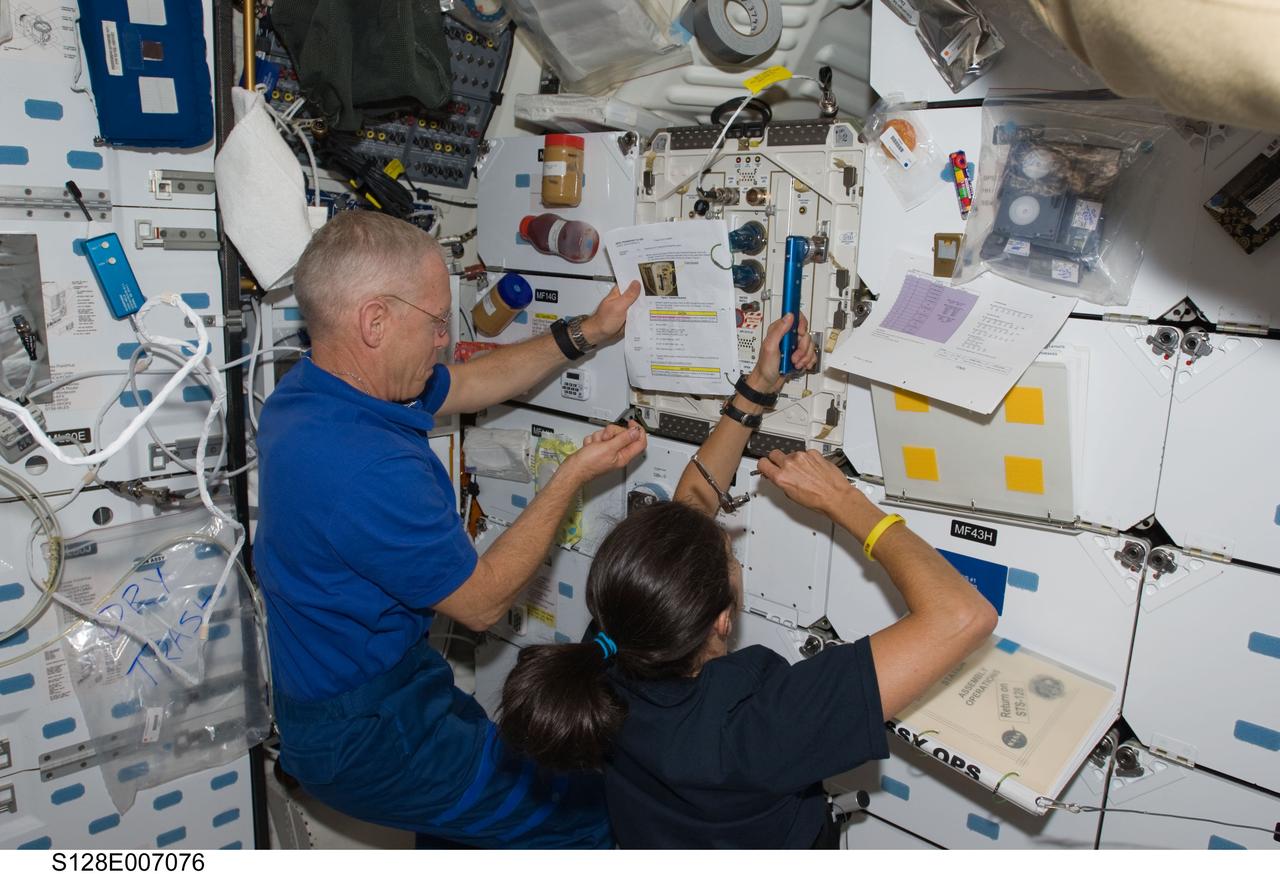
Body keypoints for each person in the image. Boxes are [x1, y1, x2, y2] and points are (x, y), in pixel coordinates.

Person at [498, 313, 999, 849]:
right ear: (722, 619)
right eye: (730, 556)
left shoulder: (612, 645)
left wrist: (759, 385)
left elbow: (692, 504)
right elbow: (963, 615)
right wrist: (846, 502)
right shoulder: (757, 727)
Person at [254, 210, 647, 848]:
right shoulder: (367, 467)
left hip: (380, 691)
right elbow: (483, 603)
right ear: (374, 322)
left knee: (468, 823)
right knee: (592, 816)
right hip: (369, 734)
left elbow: (468, 383)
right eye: (437, 321)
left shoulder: (310, 393)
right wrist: (571, 476)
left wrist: (586, 332)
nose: (444, 339)